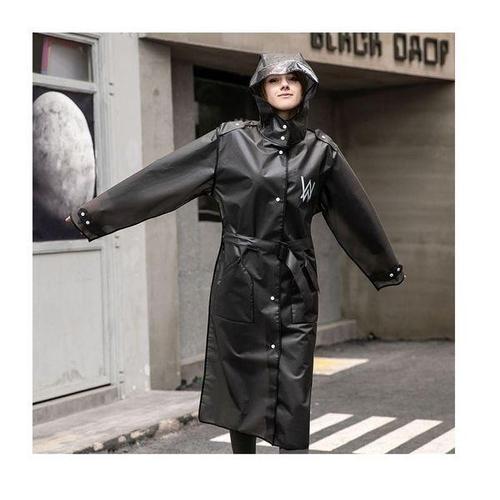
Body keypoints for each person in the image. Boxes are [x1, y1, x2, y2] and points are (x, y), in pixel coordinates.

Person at [66, 53, 405, 454]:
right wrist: (94, 215)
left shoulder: (321, 153)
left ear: (305, 88)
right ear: (261, 90)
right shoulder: (231, 141)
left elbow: (355, 213)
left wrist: (384, 267)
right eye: (273, 79)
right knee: (240, 385)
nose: (283, 84)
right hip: (240, 283)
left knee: (293, 387)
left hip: (295, 287)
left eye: (292, 78)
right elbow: (163, 180)